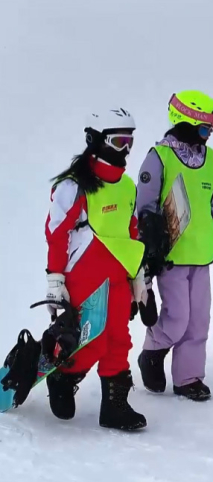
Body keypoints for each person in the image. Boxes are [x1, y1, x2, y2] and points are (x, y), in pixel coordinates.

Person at [44, 108, 148, 430]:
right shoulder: (74, 186)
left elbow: (131, 231)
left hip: (117, 277)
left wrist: (138, 276)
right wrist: (55, 279)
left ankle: (115, 406)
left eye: (129, 141)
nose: (125, 149)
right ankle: (64, 376)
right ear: (95, 140)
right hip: (83, 277)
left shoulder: (127, 186)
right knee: (91, 341)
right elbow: (57, 233)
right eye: (118, 141)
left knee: (119, 340)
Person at [136, 90, 213, 402]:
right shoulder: (159, 157)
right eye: (204, 128)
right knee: (177, 317)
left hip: (201, 254)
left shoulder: (209, 160)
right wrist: (148, 245)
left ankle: (189, 378)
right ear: (186, 122)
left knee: (198, 320)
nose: (208, 134)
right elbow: (144, 206)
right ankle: (153, 349)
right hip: (171, 256)